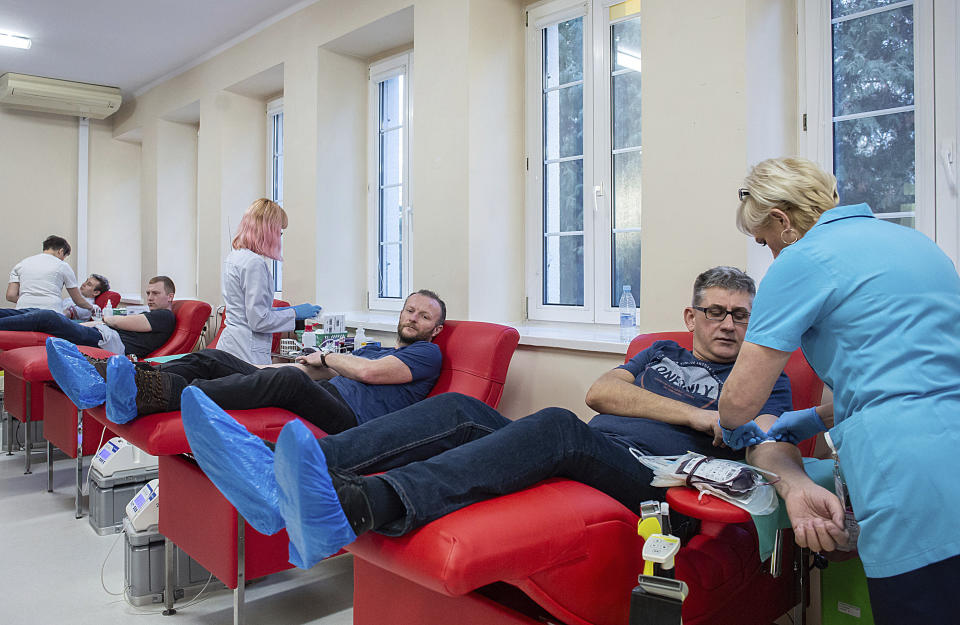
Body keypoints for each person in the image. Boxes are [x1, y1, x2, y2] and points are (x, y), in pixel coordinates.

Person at [178, 267, 792, 567]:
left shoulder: (768, 378)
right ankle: (276, 478)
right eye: (716, 312)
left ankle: (361, 506)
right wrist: (700, 413)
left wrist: (771, 460)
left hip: (654, 495)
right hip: (594, 450)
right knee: (459, 407)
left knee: (553, 425)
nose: (728, 324)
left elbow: (766, 447)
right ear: (692, 316)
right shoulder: (659, 351)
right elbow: (602, 393)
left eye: (740, 315)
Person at [716, 157, 960, 624]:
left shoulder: (802, 260)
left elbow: (741, 402)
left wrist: (729, 425)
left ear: (783, 222)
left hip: (909, 472)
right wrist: (813, 419)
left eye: (765, 241)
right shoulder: (916, 244)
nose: (770, 254)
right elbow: (906, 373)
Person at [89, 289, 446, 431]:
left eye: (424, 317)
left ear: (436, 328)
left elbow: (366, 372)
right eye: (410, 310)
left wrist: (325, 356)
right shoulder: (376, 347)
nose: (413, 318)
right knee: (215, 358)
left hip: (350, 419)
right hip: (326, 393)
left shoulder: (427, 353)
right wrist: (255, 370)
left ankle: (156, 394)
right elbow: (312, 370)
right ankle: (134, 376)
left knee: (291, 382)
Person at [218, 198, 322, 364]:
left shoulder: (235, 256)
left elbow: (249, 310)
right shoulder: (254, 263)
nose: (280, 237)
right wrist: (295, 314)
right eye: (279, 231)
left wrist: (281, 311)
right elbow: (258, 321)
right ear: (268, 230)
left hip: (232, 345)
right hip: (247, 351)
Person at [0, 276, 177, 358]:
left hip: (107, 342)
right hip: (101, 334)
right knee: (36, 313)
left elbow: (117, 321)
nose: (150, 297)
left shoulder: (164, 317)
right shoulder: (153, 314)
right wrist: (89, 325)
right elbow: (113, 322)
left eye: (155, 293)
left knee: (48, 317)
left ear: (170, 296)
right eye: (148, 293)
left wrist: (103, 321)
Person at [5, 235, 95, 315]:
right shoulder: (63, 266)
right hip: (51, 313)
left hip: (23, 312)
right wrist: (92, 308)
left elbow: (10, 296)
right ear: (61, 251)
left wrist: (30, 302)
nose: (63, 259)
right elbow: (78, 300)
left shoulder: (21, 264)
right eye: (64, 257)